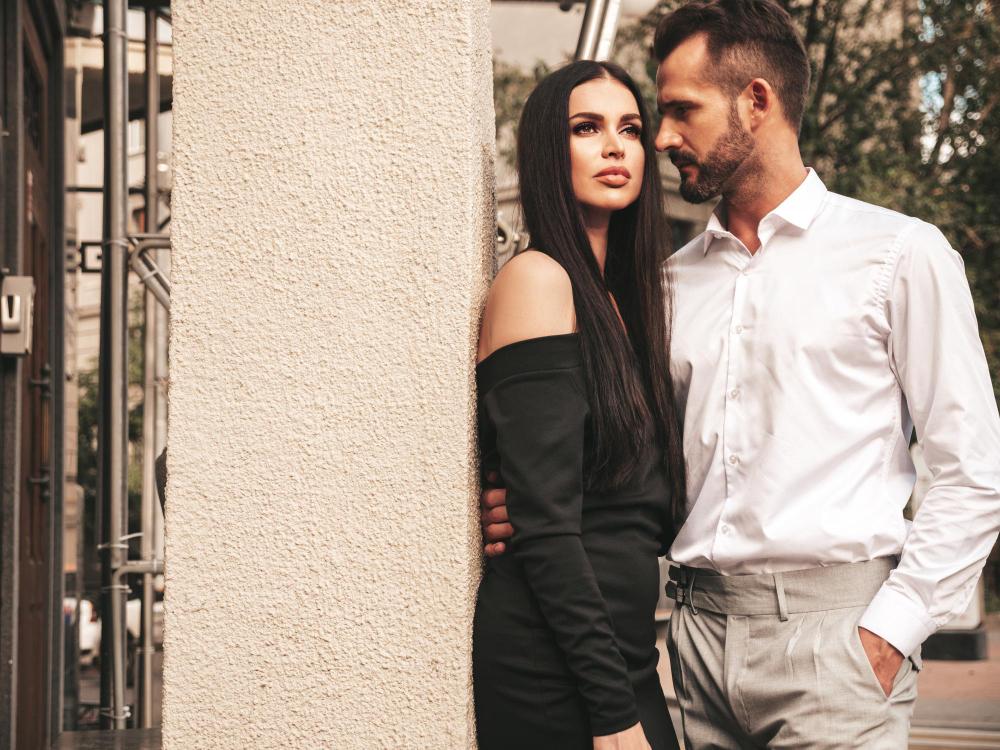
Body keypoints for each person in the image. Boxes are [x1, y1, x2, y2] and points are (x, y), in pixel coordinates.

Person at [480, 1, 1000, 748]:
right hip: (692, 647)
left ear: (756, 102)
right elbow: (633, 460)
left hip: (837, 644)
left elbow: (972, 470)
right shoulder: (663, 288)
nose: (662, 138)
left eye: (678, 111)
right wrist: (537, 507)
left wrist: (891, 632)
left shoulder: (898, 254)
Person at [473, 60, 687, 750]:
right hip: (555, 667)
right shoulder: (537, 280)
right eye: (586, 128)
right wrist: (612, 713)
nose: (616, 147)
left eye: (630, 128)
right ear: (546, 149)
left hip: (623, 657)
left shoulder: (626, 303)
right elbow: (548, 531)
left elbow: (640, 509)